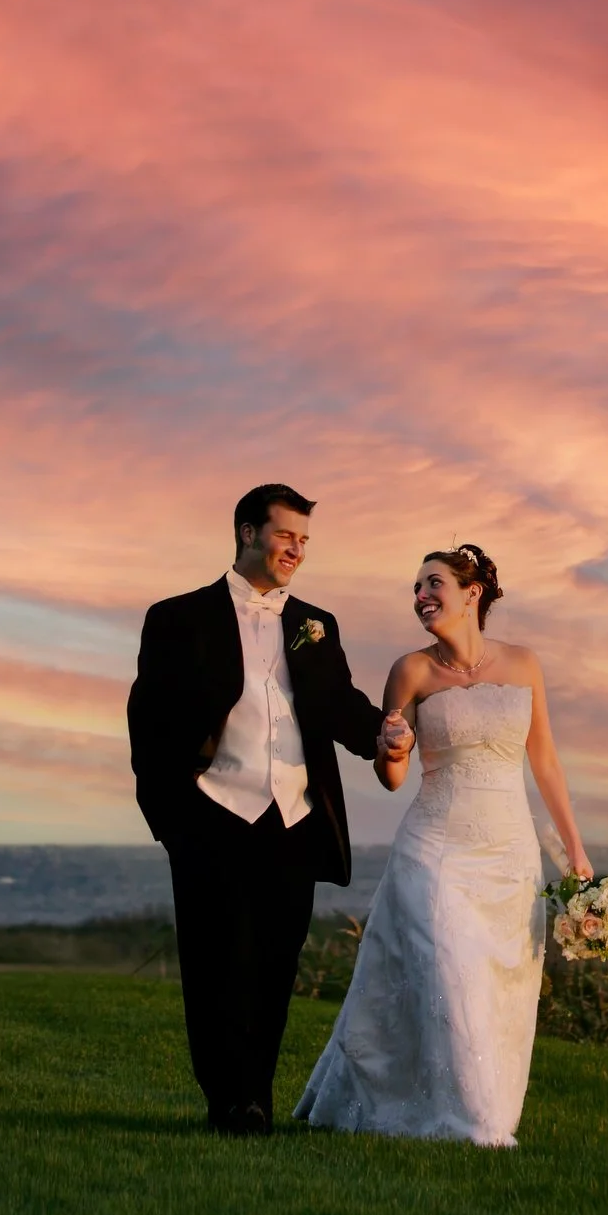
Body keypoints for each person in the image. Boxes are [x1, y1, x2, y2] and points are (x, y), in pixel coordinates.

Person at [296, 542, 593, 1145]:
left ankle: (482, 1108)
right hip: (435, 849)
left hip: (510, 853)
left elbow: (547, 764)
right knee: (449, 969)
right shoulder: (411, 672)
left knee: (496, 985)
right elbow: (392, 775)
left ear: (471, 593)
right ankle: (474, 1124)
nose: (421, 597)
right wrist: (393, 746)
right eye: (416, 589)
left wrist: (577, 856)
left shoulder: (524, 664)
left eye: (433, 584)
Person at [127, 484, 384, 1135]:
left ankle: (256, 1095)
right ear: (247, 533)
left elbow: (337, 704)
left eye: (304, 540)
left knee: (275, 963)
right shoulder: (177, 618)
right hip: (211, 816)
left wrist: (385, 733)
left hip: (293, 821)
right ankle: (229, 1099)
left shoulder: (312, 625)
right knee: (215, 964)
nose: (296, 549)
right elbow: (149, 728)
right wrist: (173, 826)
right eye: (285, 535)